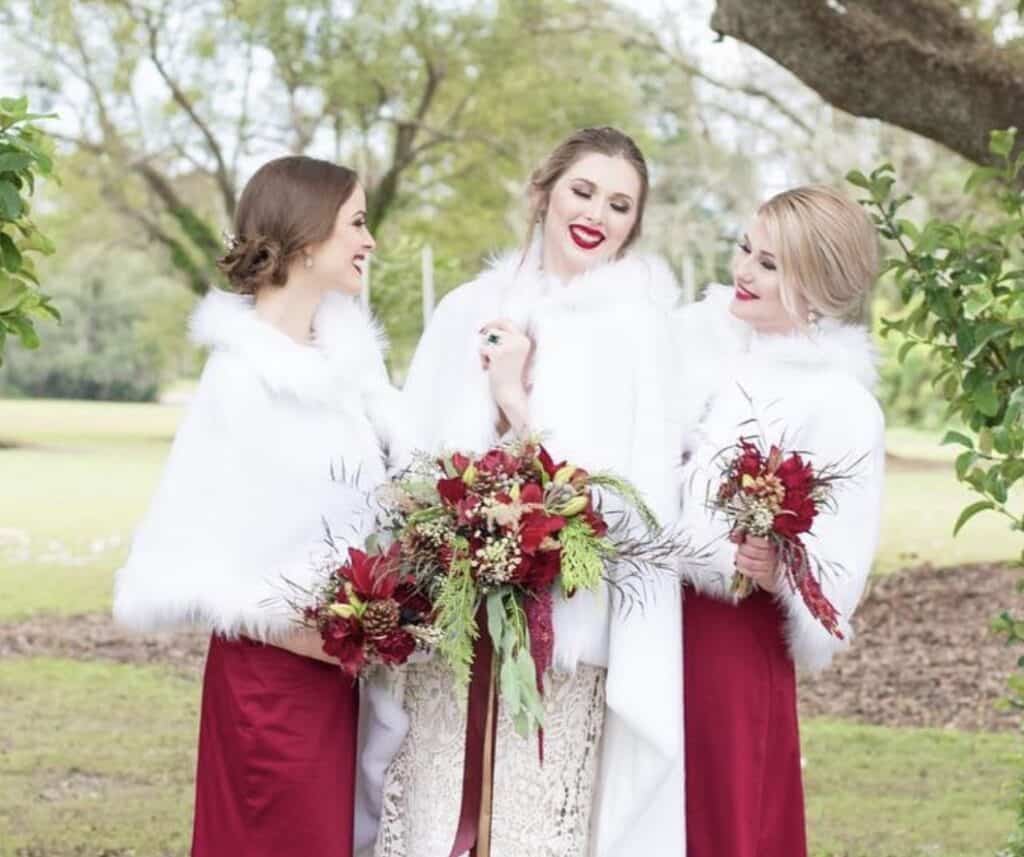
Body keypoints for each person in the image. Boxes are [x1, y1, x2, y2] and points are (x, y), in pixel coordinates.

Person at [373, 127, 685, 857]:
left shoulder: (638, 334)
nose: (596, 215)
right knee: (434, 825)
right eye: (583, 191)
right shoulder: (465, 310)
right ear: (543, 192)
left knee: (531, 832)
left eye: (619, 205)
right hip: (453, 635)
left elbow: (631, 499)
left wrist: (516, 400)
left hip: (565, 638)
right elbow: (414, 466)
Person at [113, 155, 402, 857]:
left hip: (341, 677)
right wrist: (315, 635)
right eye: (356, 223)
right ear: (307, 238)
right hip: (271, 686)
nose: (369, 240)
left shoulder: (350, 368)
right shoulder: (240, 377)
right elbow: (206, 552)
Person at [675, 184, 886, 857]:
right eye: (745, 249)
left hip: (731, 639)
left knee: (724, 817)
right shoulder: (692, 351)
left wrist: (777, 564)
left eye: (768, 264)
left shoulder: (838, 401)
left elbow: (838, 561)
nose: (743, 271)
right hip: (646, 619)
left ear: (816, 287)